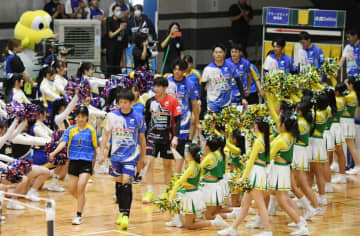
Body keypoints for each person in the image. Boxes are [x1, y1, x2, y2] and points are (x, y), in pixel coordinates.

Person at [99, 88, 146, 229]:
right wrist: (102, 153)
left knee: (127, 182)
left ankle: (126, 215)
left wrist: (142, 158)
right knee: (118, 183)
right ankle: (121, 212)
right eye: (120, 102)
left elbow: (142, 139)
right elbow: (106, 136)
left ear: (131, 102)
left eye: (126, 102)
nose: (123, 105)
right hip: (115, 156)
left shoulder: (138, 117)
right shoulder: (112, 116)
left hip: (131, 156)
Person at [218, 117, 272, 236]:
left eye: (255, 125)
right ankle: (233, 229)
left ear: (259, 127)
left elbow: (251, 161)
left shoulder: (259, 141)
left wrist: (243, 177)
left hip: (256, 173)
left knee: (260, 204)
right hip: (258, 172)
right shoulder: (264, 139)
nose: (253, 127)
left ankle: (268, 230)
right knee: (245, 204)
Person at [50, 106, 100, 225]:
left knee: (81, 186)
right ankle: (81, 201)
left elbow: (96, 146)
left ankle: (78, 215)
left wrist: (101, 157)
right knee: (72, 189)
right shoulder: (70, 130)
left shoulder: (92, 130)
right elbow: (63, 143)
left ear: (87, 117)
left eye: (82, 116)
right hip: (73, 162)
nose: (80, 119)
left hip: (86, 162)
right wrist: (54, 152)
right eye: (78, 116)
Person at [166, 143, 229, 229]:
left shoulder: (191, 167)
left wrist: (170, 197)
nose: (186, 154)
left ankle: (214, 222)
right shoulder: (196, 164)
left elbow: (179, 182)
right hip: (193, 193)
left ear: (190, 154)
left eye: (187, 152)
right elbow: (193, 180)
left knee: (190, 225)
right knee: (174, 194)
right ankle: (177, 220)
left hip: (190, 195)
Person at [268, 110, 309, 235]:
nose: (277, 124)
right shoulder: (287, 135)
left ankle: (301, 226)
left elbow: (268, 156)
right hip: (282, 169)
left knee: (282, 201)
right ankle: (300, 220)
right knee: (283, 198)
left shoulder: (282, 139)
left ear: (284, 125)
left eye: (279, 122)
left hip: (280, 170)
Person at [142, 77, 182, 204]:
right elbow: (146, 120)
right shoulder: (150, 102)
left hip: (167, 139)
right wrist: (143, 137)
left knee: (167, 165)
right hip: (152, 137)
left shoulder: (173, 101)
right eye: (155, 86)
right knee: (149, 161)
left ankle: (166, 191)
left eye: (159, 86)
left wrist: (175, 136)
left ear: (165, 87)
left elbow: (178, 120)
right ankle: (149, 191)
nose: (156, 88)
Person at [166, 59, 200, 174]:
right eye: (175, 69)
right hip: (168, 120)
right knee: (168, 150)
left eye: (179, 70)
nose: (177, 72)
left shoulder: (190, 84)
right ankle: (169, 176)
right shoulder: (167, 81)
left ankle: (179, 174)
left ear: (184, 71)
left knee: (180, 149)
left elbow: (195, 105)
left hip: (183, 121)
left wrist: (197, 121)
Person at [201, 44, 247, 115]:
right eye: (216, 52)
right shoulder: (208, 69)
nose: (218, 54)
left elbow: (238, 82)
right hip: (212, 103)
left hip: (227, 103)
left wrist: (243, 97)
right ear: (213, 54)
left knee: (227, 125)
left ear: (224, 53)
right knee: (212, 124)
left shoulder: (231, 66)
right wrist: (201, 100)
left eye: (220, 52)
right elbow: (202, 86)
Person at [341, 77, 360, 174]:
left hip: (348, 122)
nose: (344, 86)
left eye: (346, 84)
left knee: (351, 145)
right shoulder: (350, 94)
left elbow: (340, 99)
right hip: (345, 122)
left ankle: (358, 165)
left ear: (351, 85)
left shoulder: (351, 95)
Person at [106, 4, 129, 74]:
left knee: (117, 65)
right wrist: (120, 29)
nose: (119, 12)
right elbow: (110, 35)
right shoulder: (109, 20)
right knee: (111, 65)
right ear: (113, 11)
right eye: (117, 10)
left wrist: (123, 30)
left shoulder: (121, 21)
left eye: (120, 10)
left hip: (119, 46)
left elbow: (122, 35)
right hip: (111, 47)